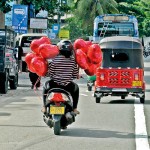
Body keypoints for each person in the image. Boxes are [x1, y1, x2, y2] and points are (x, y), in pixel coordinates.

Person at [42, 39, 80, 114]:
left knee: (45, 86)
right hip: (67, 86)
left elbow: (51, 73)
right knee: (76, 89)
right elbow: (75, 74)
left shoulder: (55, 60)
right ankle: (75, 108)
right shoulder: (72, 61)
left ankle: (44, 107)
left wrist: (46, 74)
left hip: (54, 85)